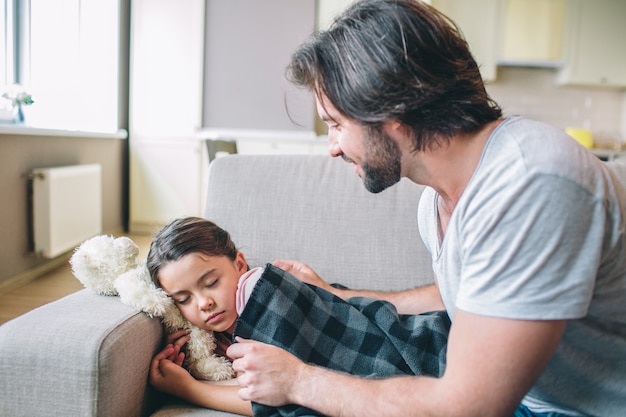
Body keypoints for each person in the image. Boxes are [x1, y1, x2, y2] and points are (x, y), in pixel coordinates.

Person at [226, 1, 626, 416]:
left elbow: (468, 408)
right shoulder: (435, 202)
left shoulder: (529, 185)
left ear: (391, 110)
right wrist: (336, 295)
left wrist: (299, 381)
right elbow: (468, 295)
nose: (332, 148)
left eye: (336, 124)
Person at [147, 216, 451, 416]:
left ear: (240, 264)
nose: (204, 303)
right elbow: (265, 381)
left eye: (211, 283)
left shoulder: (260, 291)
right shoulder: (223, 338)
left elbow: (273, 394)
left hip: (433, 346)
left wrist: (187, 388)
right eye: (183, 299)